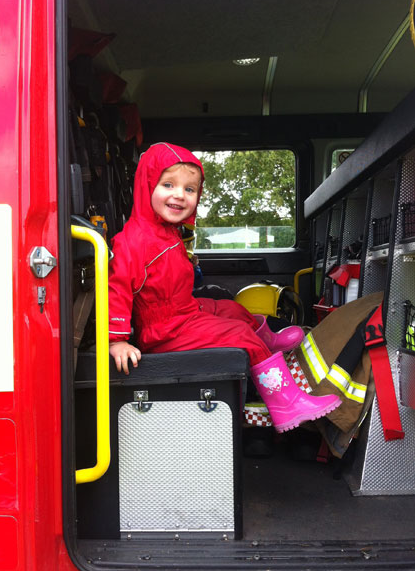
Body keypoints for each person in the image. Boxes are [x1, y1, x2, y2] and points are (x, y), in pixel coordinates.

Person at [108, 142, 341, 433]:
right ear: (147, 186)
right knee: (239, 334)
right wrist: (116, 340)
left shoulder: (169, 234)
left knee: (232, 308)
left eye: (190, 190)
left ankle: (265, 344)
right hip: (163, 329)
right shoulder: (133, 240)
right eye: (168, 184)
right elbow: (116, 289)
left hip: (183, 310)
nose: (179, 195)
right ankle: (285, 403)